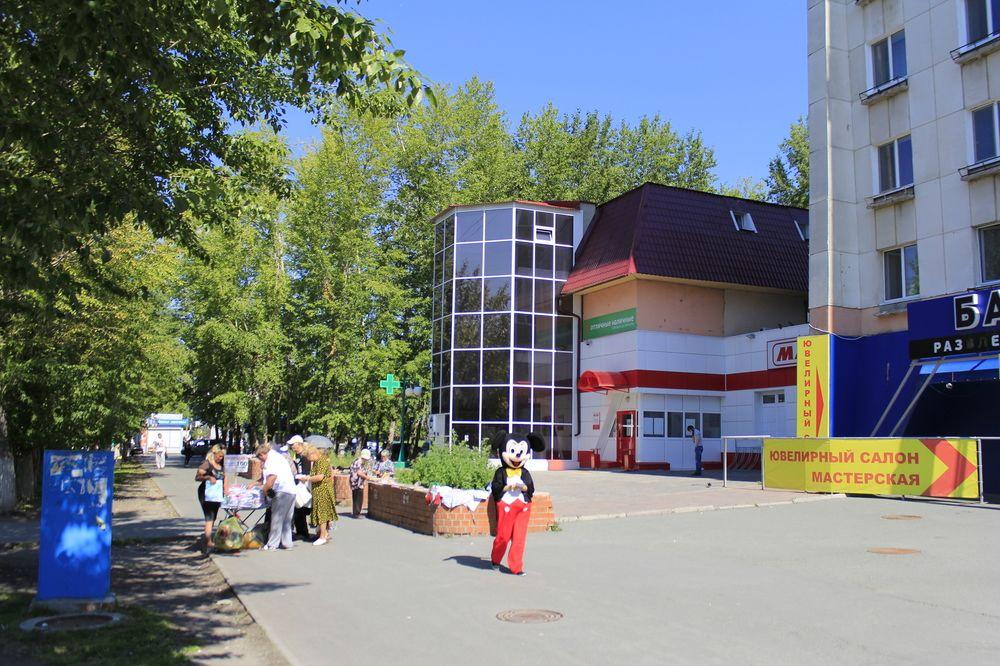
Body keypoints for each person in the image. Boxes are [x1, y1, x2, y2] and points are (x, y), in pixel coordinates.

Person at [255, 443, 297, 550]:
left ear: (262, 454)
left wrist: (265, 491)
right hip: (291, 490)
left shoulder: (271, 460)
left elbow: (271, 478)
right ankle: (287, 543)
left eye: (260, 458)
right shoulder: (278, 457)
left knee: (277, 519)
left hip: (282, 491)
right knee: (287, 519)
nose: (261, 461)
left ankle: (272, 544)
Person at [297, 445, 337, 545]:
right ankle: (323, 534)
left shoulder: (322, 461)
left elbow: (319, 477)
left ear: (313, 453)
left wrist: (307, 479)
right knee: (322, 513)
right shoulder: (317, 461)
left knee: (322, 513)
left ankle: (322, 536)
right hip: (319, 490)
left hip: (323, 491)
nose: (308, 459)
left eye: (308, 456)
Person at [195, 445, 225, 551]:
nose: (221, 458)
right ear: (214, 454)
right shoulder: (207, 464)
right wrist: (208, 477)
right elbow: (197, 477)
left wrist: (226, 490)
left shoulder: (221, 465)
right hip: (206, 494)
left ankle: (208, 539)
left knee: (214, 517)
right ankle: (208, 542)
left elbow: (224, 478)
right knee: (209, 517)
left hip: (217, 495)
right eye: (219, 456)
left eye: (222, 456)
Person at [288, 435, 312, 541]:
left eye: (293, 444)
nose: (292, 446)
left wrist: (301, 477)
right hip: (297, 484)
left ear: (299, 444)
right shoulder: (296, 456)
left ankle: (303, 532)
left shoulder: (305, 456)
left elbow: (306, 472)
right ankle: (301, 531)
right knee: (297, 509)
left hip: (303, 486)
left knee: (301, 508)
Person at [348, 449, 373, 517]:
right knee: (358, 498)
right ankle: (357, 513)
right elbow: (359, 473)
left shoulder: (358, 461)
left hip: (355, 482)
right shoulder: (359, 462)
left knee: (356, 497)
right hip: (357, 482)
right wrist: (367, 477)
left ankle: (355, 512)